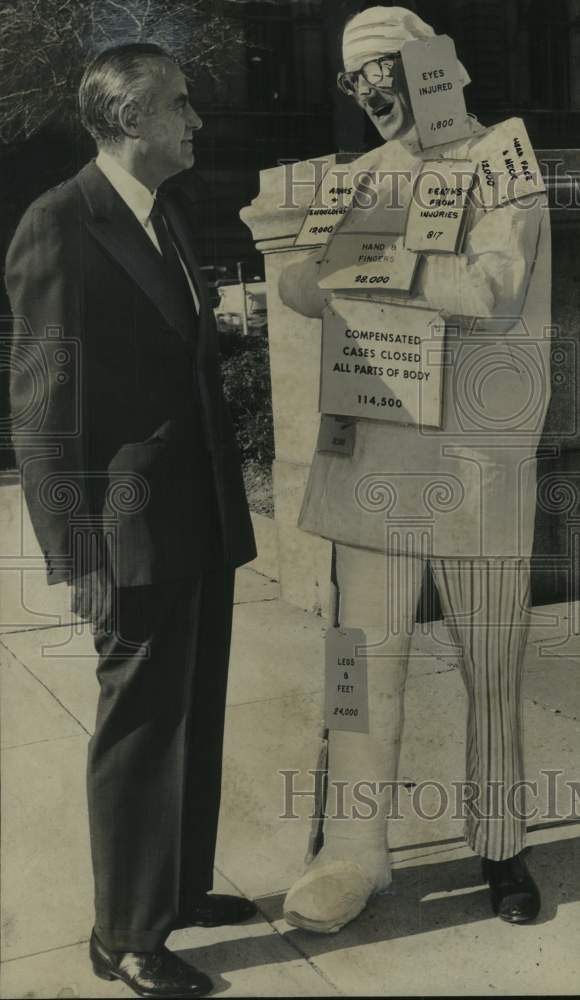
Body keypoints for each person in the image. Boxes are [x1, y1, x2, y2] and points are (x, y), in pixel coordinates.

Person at [279, 7, 551, 934]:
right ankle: (352, 852)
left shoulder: (502, 158)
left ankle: (502, 845)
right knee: (358, 664)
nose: (371, 94)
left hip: (478, 465)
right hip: (373, 458)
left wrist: (377, 263)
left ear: (432, 65)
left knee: (493, 665)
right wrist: (355, 267)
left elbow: (494, 291)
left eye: (384, 71)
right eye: (354, 80)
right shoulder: (357, 177)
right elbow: (299, 282)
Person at [6, 43, 257, 998]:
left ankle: (176, 893)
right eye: (180, 105)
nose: (197, 121)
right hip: (130, 530)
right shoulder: (58, 222)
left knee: (191, 715)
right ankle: (126, 939)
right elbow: (41, 412)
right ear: (129, 121)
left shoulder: (164, 211)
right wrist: (76, 555)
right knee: (141, 729)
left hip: (199, 517)